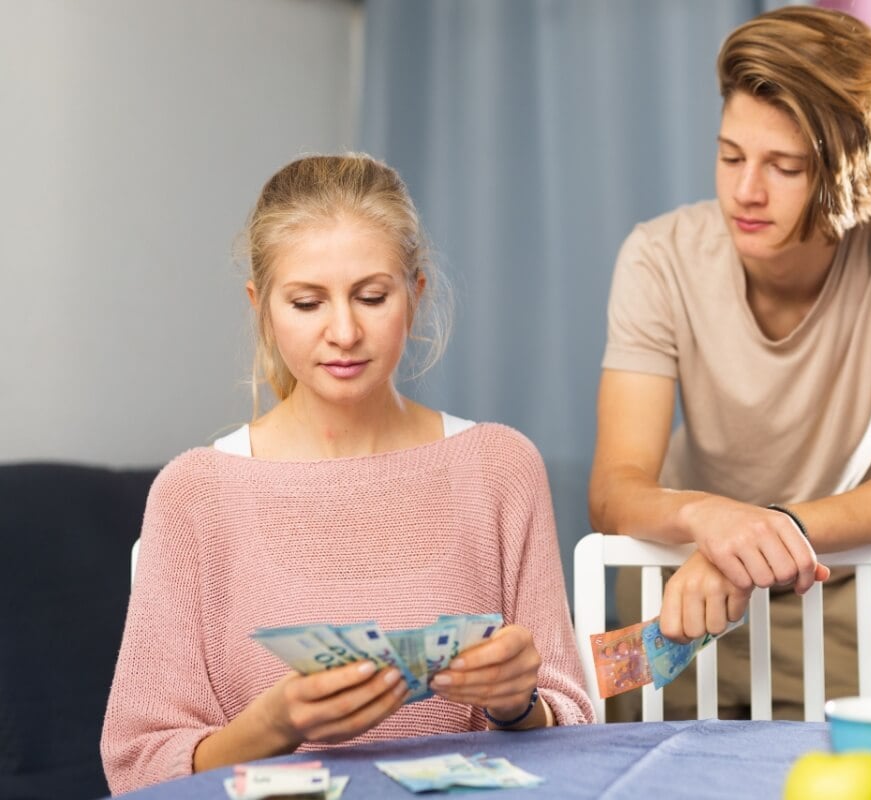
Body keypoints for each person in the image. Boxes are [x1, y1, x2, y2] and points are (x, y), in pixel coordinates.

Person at [101, 153, 594, 794]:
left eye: (371, 296)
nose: (344, 331)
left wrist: (520, 702)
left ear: (415, 294)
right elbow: (138, 765)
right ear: (263, 309)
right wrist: (272, 725)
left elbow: (572, 718)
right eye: (307, 302)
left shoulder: (499, 466)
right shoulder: (195, 493)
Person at [589, 6, 871, 719]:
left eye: (785, 166)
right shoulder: (656, 255)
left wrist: (760, 533)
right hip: (674, 579)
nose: (745, 191)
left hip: (839, 585)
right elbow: (615, 491)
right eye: (730, 155)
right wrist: (715, 524)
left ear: (852, 172)